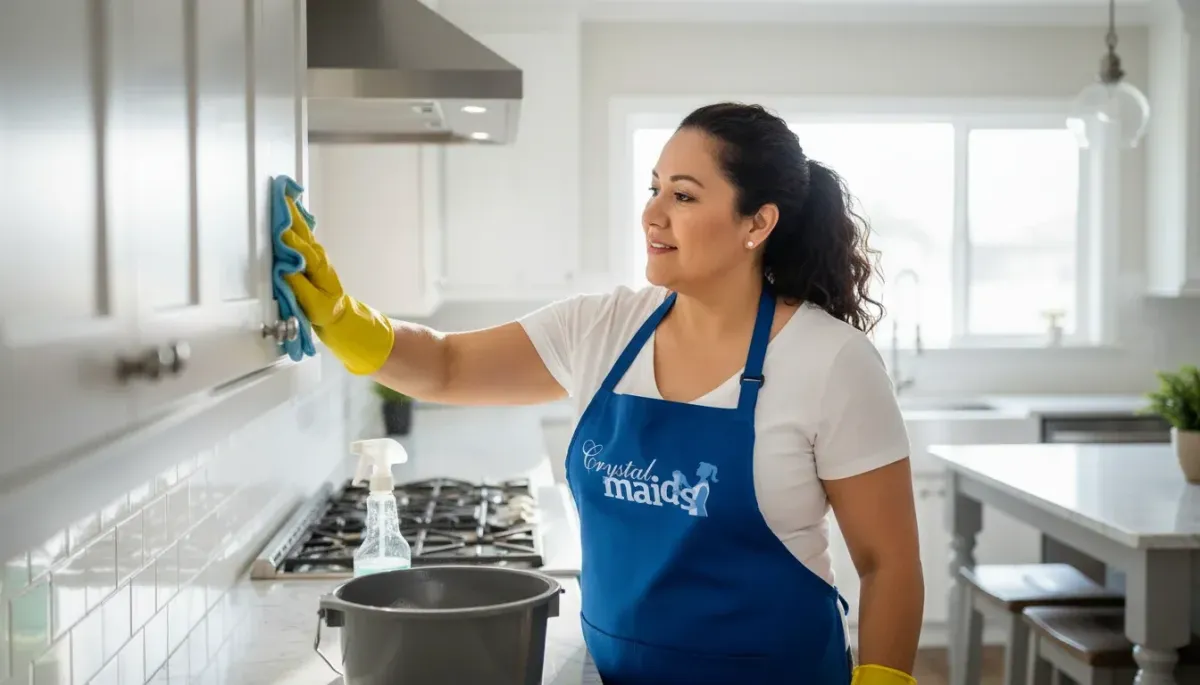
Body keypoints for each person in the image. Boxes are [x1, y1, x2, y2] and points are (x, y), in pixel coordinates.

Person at [282, 102, 924, 685]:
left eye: (684, 195)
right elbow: (445, 365)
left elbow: (887, 562)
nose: (652, 213)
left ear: (757, 223)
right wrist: (337, 313)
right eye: (653, 188)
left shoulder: (832, 361)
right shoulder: (604, 329)